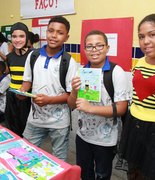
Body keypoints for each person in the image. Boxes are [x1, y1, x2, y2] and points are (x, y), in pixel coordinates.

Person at [67, 30, 131, 180]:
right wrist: (74, 91)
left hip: (106, 139)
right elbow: (71, 105)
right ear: (84, 49)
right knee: (84, 173)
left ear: (107, 48)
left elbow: (121, 108)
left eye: (99, 46)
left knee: (102, 175)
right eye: (89, 46)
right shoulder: (82, 71)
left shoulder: (116, 72)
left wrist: (91, 108)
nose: (94, 50)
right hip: (82, 135)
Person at [120, 14, 155, 180]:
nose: (145, 41)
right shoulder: (141, 61)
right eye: (141, 37)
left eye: (152, 35)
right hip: (134, 126)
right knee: (134, 173)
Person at [21, 16, 77, 161]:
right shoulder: (33, 56)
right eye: (50, 31)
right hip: (35, 119)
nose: (54, 35)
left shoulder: (69, 61)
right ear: (46, 32)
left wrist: (49, 100)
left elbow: (70, 95)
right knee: (25, 154)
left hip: (59, 122)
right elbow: (27, 82)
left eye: (59, 32)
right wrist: (22, 92)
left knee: (58, 160)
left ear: (66, 37)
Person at [5, 22, 32, 137]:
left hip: (26, 99)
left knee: (26, 132)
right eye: (14, 36)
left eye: (21, 36)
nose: (17, 40)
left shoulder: (33, 55)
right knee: (11, 130)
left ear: (26, 37)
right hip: (11, 97)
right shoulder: (9, 56)